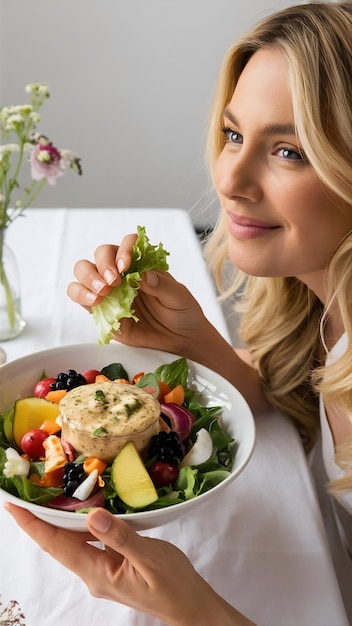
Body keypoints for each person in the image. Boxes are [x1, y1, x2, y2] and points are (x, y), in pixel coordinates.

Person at [5, 1, 352, 623]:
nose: (230, 178)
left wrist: (188, 607)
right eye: (235, 134)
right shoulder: (329, 312)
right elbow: (292, 393)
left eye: (291, 151)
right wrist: (193, 344)